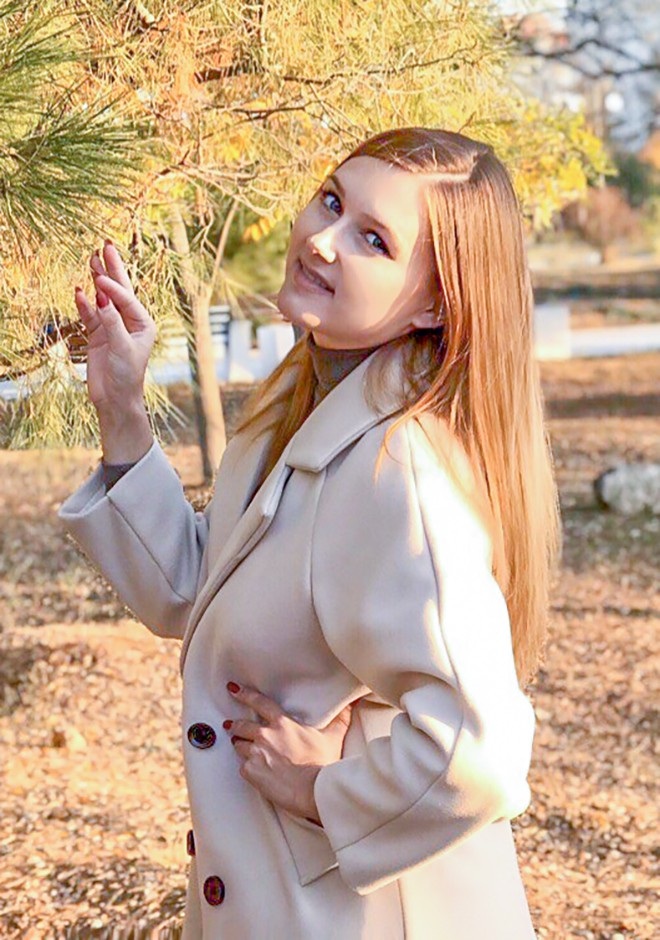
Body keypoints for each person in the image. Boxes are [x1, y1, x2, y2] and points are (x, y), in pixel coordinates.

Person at [58, 126, 561, 940]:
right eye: (332, 200)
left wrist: (324, 790)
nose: (322, 239)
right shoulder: (299, 401)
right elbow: (198, 593)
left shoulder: (399, 466)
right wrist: (120, 407)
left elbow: (481, 751)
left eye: (374, 238)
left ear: (435, 302)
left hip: (362, 914)